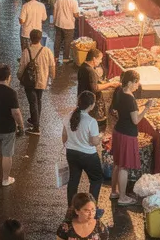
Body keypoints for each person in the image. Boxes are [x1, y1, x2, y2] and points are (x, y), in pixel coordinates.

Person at [110, 70, 154, 206]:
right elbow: (135, 120)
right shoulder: (130, 98)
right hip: (127, 134)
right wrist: (147, 108)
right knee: (124, 167)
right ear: (130, 82)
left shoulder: (119, 91)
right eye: (136, 82)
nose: (138, 85)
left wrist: (136, 108)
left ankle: (114, 192)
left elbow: (116, 109)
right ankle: (122, 197)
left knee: (117, 164)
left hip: (118, 131)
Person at [62, 91, 106, 202]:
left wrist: (72, 143)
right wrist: (100, 136)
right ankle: (91, 208)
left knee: (73, 180)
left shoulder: (68, 116)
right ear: (91, 105)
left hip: (71, 153)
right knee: (96, 179)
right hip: (88, 156)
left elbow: (64, 136)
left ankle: (71, 209)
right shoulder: (91, 121)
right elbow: (94, 142)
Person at [19, 29, 55, 134]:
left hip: (29, 82)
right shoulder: (47, 51)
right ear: (40, 39)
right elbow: (52, 66)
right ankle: (35, 120)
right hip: (42, 81)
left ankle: (36, 127)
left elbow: (21, 67)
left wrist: (19, 77)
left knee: (33, 102)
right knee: (38, 100)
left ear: (30, 38)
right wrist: (52, 77)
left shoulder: (27, 51)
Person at [77, 48, 120, 120]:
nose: (100, 61)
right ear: (94, 59)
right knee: (94, 119)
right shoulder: (90, 71)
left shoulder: (83, 66)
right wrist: (110, 84)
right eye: (100, 59)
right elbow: (95, 88)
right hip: (90, 101)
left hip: (82, 96)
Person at [52, 0, 80, 64]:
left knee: (58, 40)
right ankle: (66, 59)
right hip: (68, 25)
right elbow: (75, 14)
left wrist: (54, 20)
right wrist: (79, 15)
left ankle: (55, 57)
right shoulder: (73, 0)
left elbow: (55, 7)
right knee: (67, 42)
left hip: (58, 22)